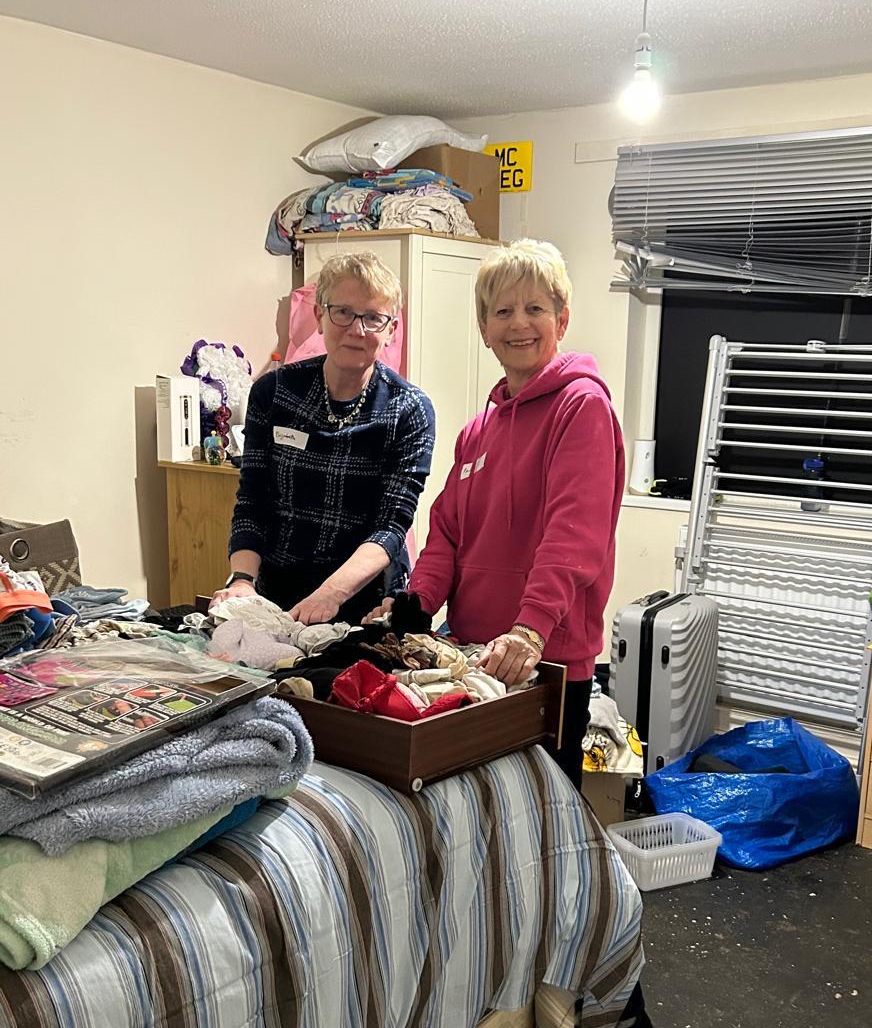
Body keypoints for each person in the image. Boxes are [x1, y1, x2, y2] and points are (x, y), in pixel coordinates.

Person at [368, 238, 624, 789]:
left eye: (535, 308)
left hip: (545, 660)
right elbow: (448, 533)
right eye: (503, 311)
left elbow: (573, 536)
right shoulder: (478, 431)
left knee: (544, 815)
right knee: (479, 812)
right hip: (469, 656)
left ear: (562, 319)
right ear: (484, 328)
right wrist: (417, 602)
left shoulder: (582, 407)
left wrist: (530, 630)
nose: (519, 324)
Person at [214, 252, 435, 624]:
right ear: (319, 315)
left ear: (391, 330)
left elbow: (391, 526)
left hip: (366, 601)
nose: (357, 329)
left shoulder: (409, 410)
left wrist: (329, 595)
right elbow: (253, 501)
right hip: (275, 592)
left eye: (373, 317)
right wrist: (242, 580)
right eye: (343, 312)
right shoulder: (275, 392)